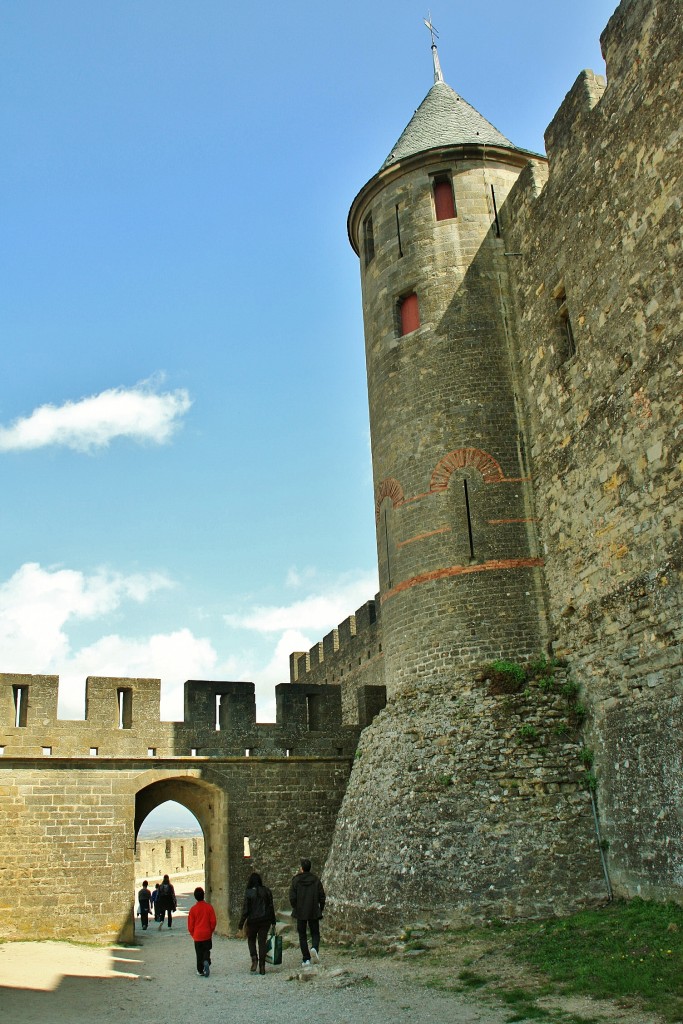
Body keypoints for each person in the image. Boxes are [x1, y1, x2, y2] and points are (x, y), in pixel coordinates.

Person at [237, 871, 276, 975]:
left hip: (253, 920)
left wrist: (241, 924)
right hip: (265, 920)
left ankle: (254, 959)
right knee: (262, 942)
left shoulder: (249, 893)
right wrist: (273, 921)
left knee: (251, 940)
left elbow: (245, 910)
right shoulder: (267, 891)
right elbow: (271, 907)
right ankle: (262, 966)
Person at [289, 858, 325, 966]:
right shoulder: (316, 880)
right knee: (315, 933)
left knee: (302, 935)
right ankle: (314, 948)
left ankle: (306, 958)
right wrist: (320, 908)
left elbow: (292, 897)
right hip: (313, 910)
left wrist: (296, 907)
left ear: (301, 868)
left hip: (300, 911)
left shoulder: (296, 880)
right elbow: (322, 896)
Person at [187, 886, 217, 978]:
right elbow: (213, 921)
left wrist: (193, 934)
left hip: (197, 934)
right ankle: (206, 960)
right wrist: (210, 931)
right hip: (207, 933)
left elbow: (190, 925)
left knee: (198, 953)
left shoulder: (193, 909)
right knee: (206, 950)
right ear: (203, 895)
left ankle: (200, 970)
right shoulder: (209, 907)